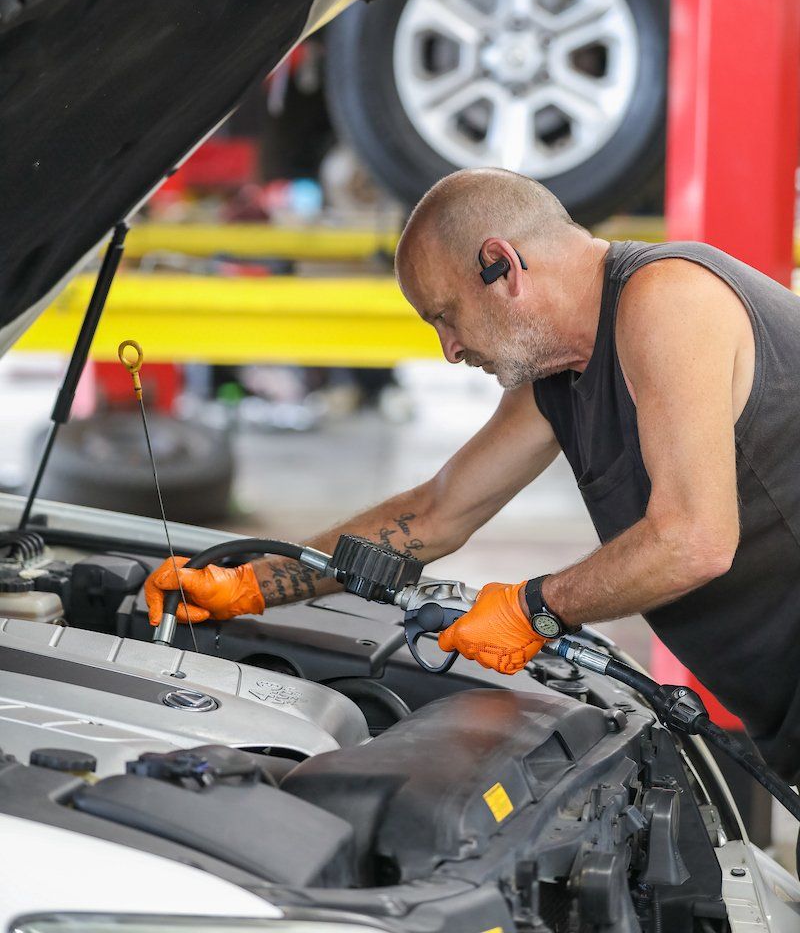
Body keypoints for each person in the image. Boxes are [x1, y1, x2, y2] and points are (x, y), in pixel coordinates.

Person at [146, 167, 800, 782]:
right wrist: (249, 583)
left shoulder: (669, 302)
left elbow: (693, 540)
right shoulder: (560, 374)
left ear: (504, 266)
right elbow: (436, 513)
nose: (449, 349)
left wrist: (534, 610)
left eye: (445, 315)